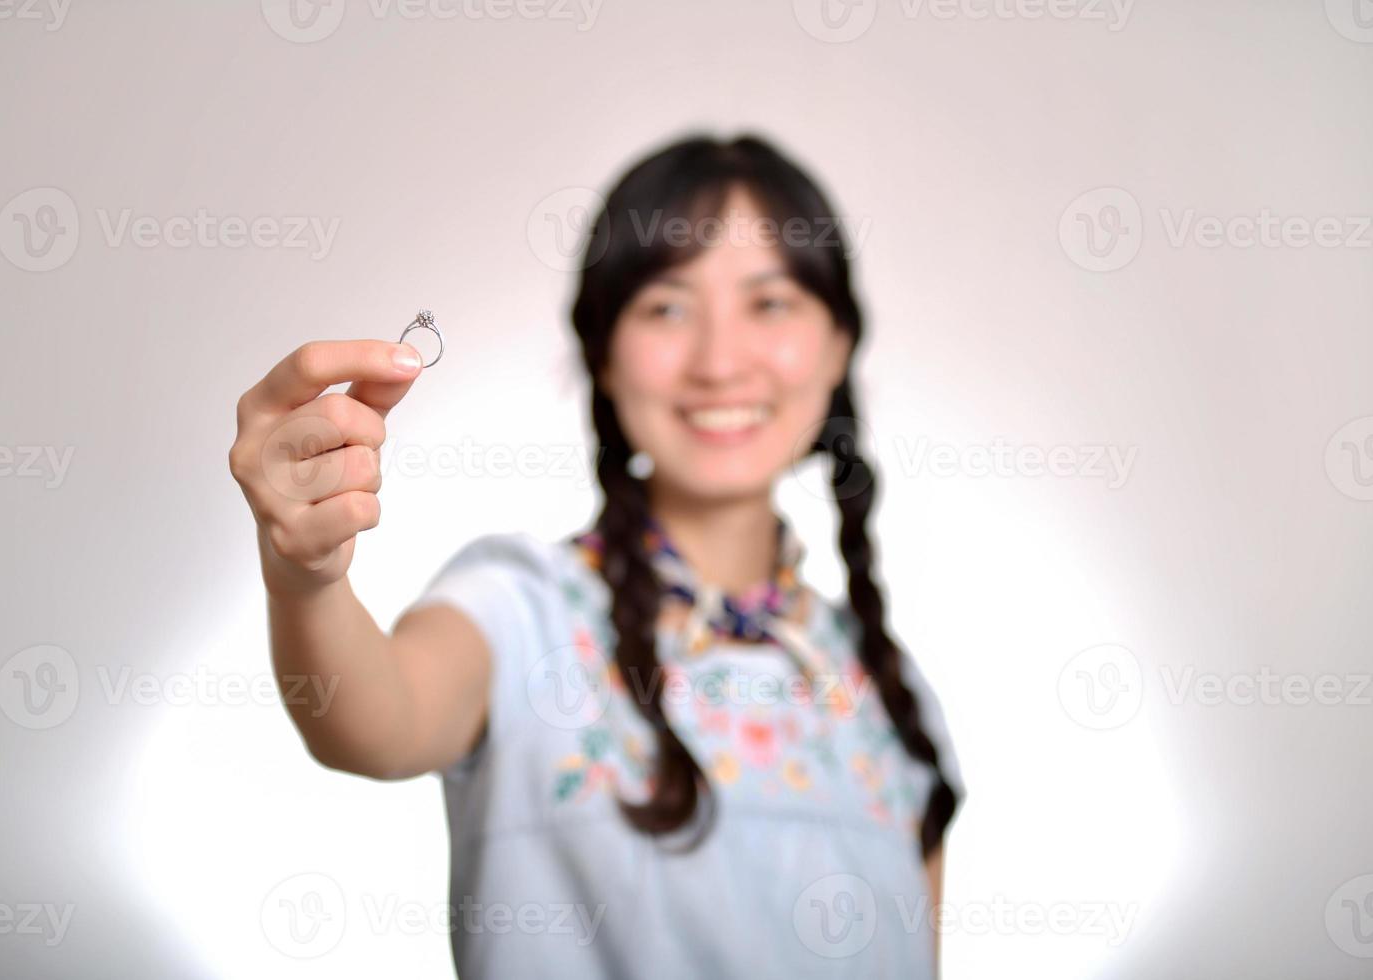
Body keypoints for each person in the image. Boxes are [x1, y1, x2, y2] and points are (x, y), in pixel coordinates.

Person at [228, 133, 965, 978]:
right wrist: (306, 578)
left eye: (770, 303)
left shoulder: (892, 698)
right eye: (666, 307)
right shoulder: (520, 608)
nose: (721, 363)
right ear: (603, 357)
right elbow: (373, 722)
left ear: (838, 347)